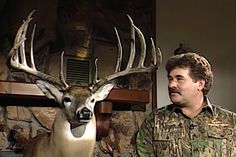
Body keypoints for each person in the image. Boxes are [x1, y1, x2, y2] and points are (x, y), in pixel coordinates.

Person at [136, 52, 236, 157]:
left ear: (200, 84)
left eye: (179, 79)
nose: (171, 85)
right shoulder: (154, 120)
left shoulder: (231, 122)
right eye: (170, 79)